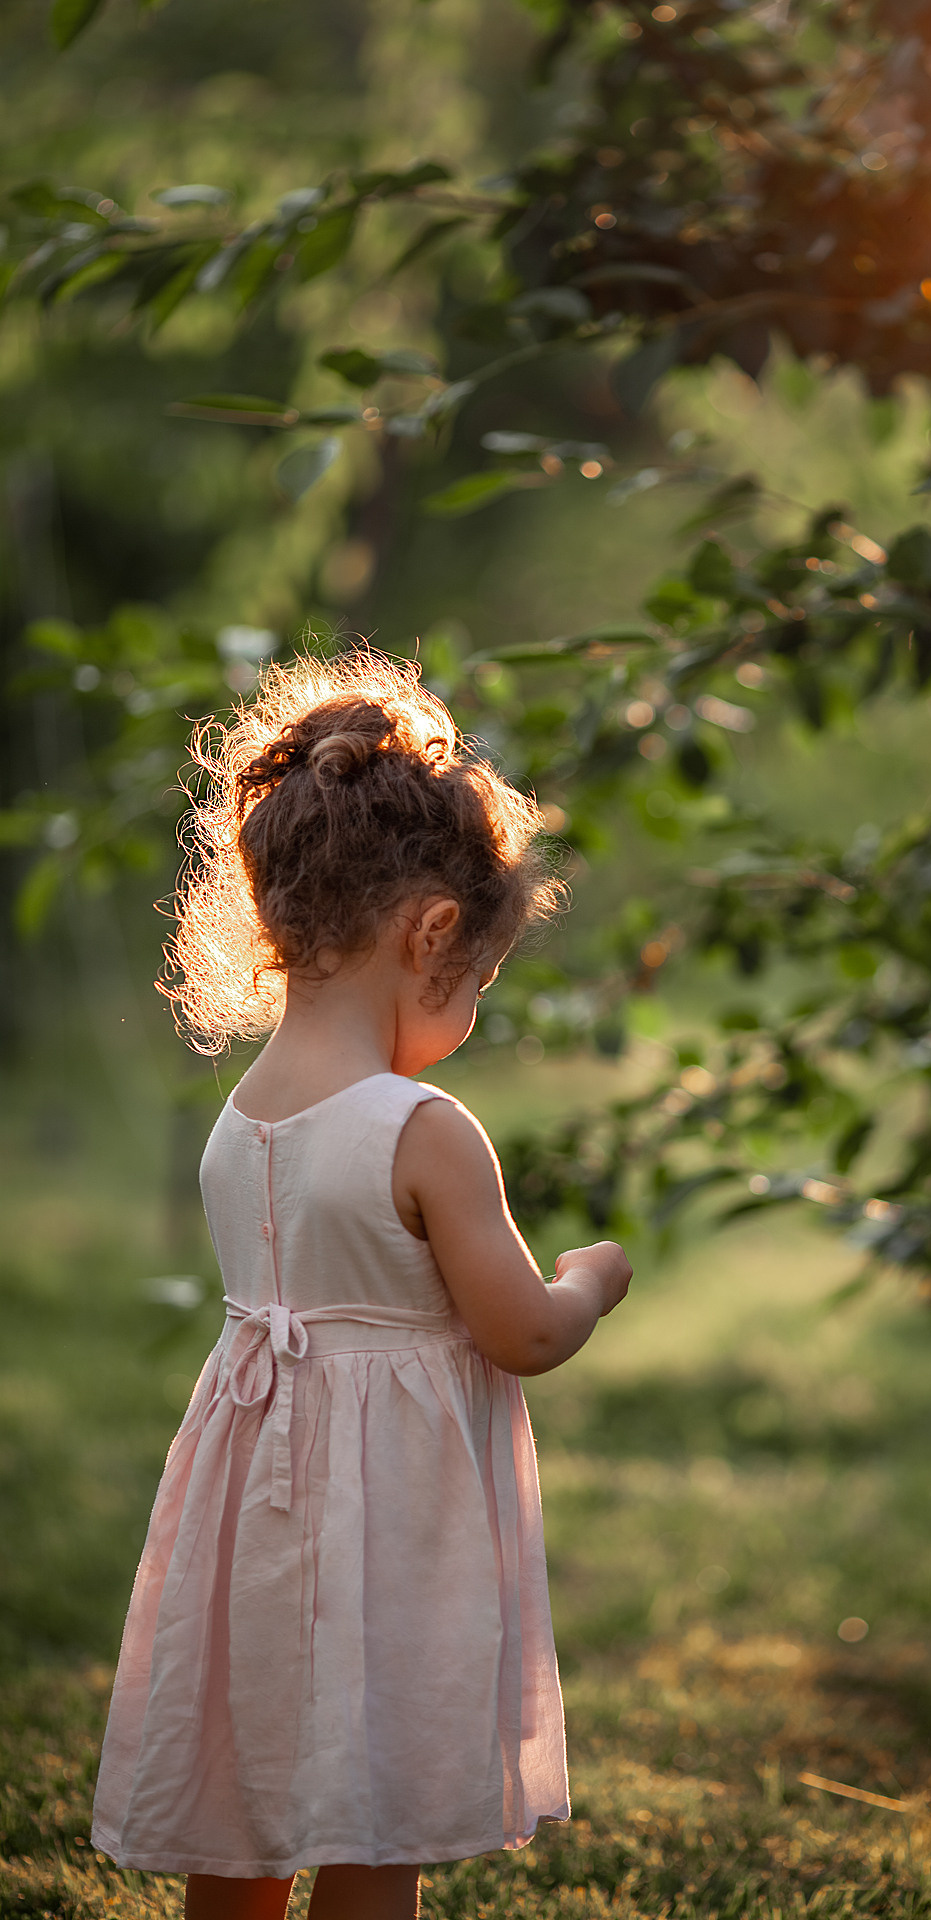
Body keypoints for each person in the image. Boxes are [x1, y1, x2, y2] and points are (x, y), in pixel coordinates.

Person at [90, 650, 632, 1920]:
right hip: (386, 1523)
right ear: (432, 932)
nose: (474, 1012)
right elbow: (518, 1333)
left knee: (244, 1800)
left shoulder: (240, 1118)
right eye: (480, 983)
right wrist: (588, 1281)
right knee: (370, 1808)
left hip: (252, 1516)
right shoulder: (423, 1127)